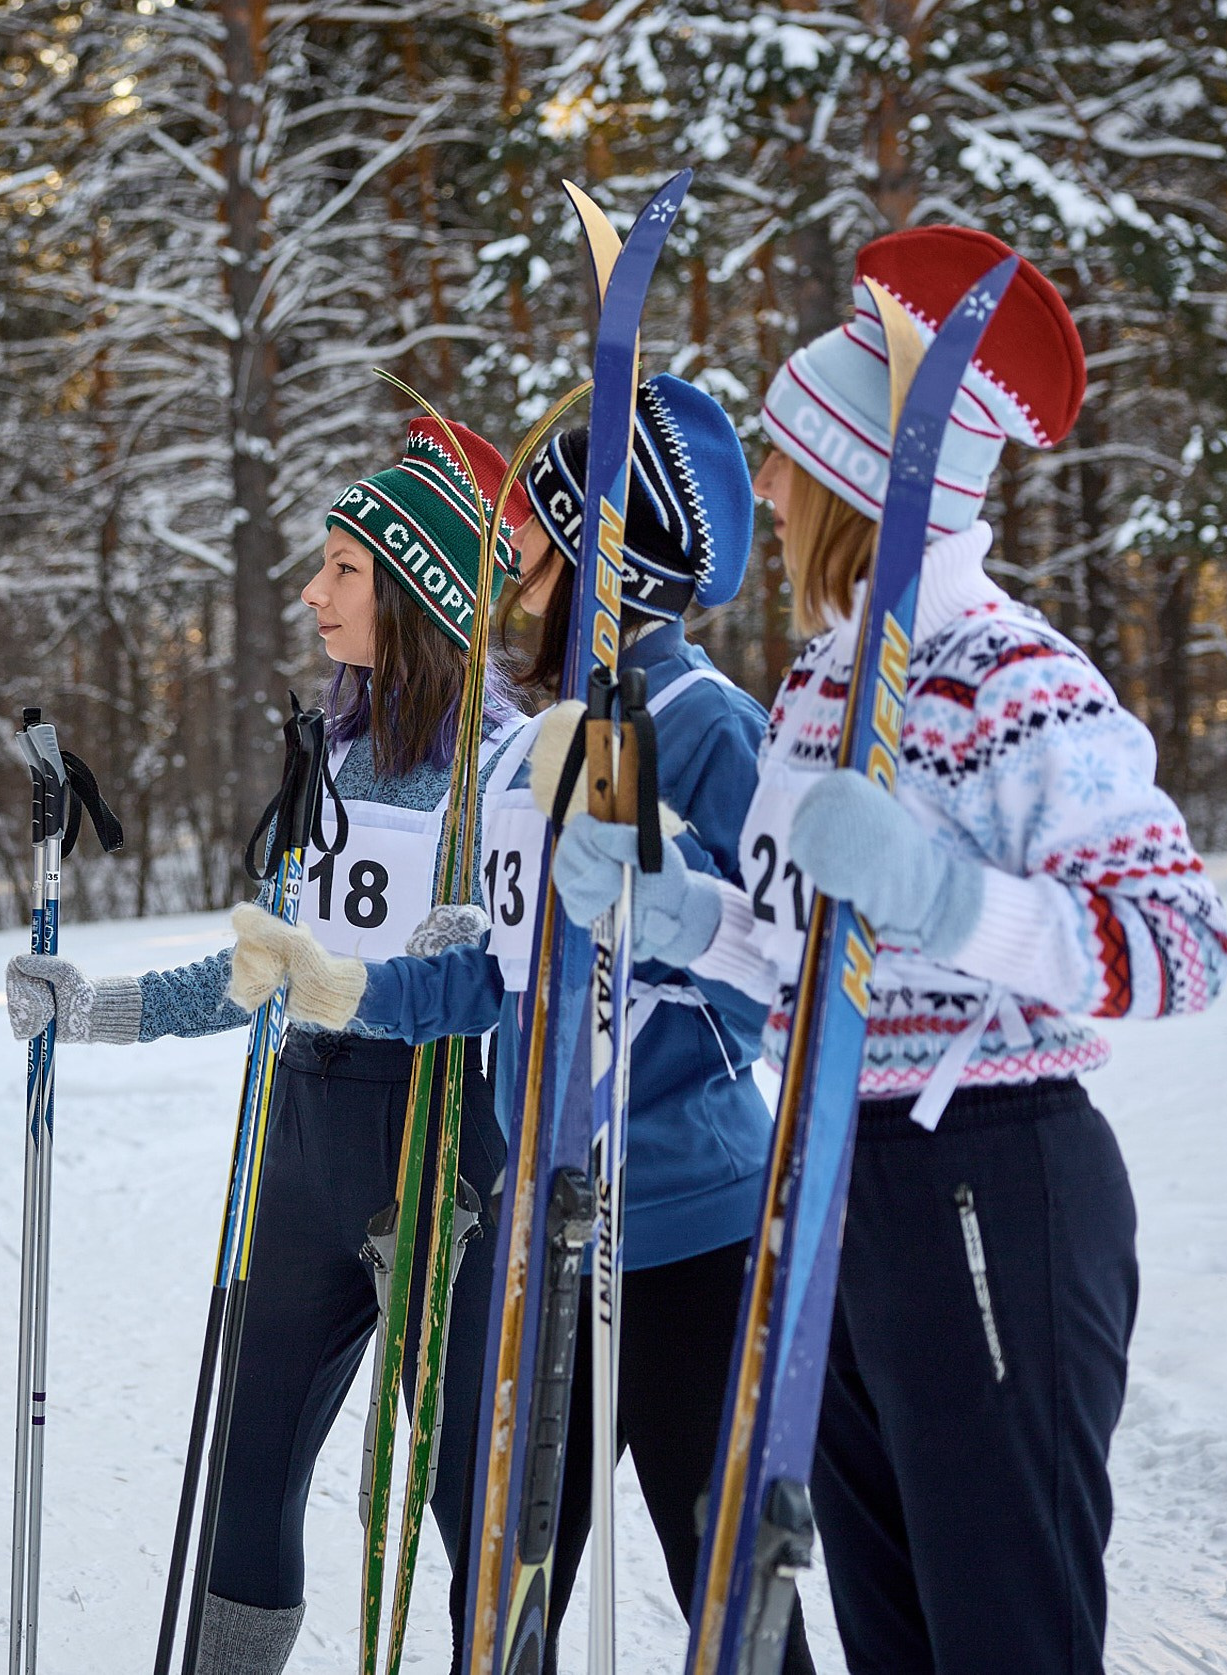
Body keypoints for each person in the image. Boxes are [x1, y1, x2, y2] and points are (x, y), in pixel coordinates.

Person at [555, 227, 1227, 1673]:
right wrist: (673, 915)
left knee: (1007, 1631)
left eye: (793, 461)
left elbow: (1180, 943)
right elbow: (805, 960)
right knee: (891, 1632)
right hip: (838, 1188)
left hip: (994, 1173)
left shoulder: (1012, 670)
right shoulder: (815, 689)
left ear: (858, 481)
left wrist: (946, 891)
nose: (774, 491)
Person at [229, 376, 818, 1674]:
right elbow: (497, 976)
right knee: (496, 1600)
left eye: (541, 536)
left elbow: (781, 978)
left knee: (729, 1584)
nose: (515, 559)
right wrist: (349, 987)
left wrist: (664, 907)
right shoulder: (520, 752)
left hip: (682, 1221)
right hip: (537, 1223)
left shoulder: (705, 722)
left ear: (614, 552)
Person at [4, 417, 527, 1673]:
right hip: (299, 1150)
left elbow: (512, 986)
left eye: (344, 569)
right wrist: (97, 1007)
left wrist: (462, 966)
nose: (313, 591)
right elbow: (260, 972)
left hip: (432, 1155)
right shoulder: (330, 757)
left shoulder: (500, 767)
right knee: (244, 1488)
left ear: (417, 595)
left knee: (466, 1511)